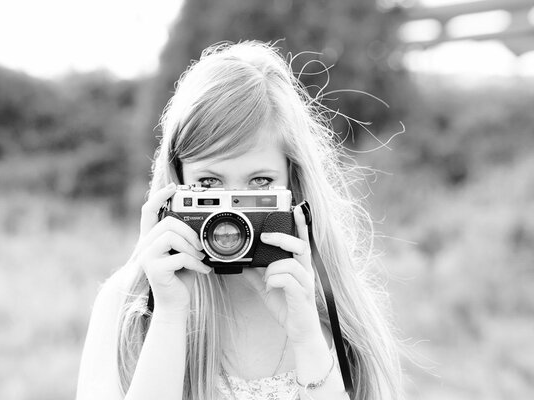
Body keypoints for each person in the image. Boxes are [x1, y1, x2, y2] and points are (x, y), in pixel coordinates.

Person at [76, 40, 404, 400]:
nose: (230, 213)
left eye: (259, 182)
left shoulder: (338, 306)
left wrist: (308, 337)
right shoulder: (125, 307)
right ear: (176, 184)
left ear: (293, 184)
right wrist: (168, 314)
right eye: (208, 184)